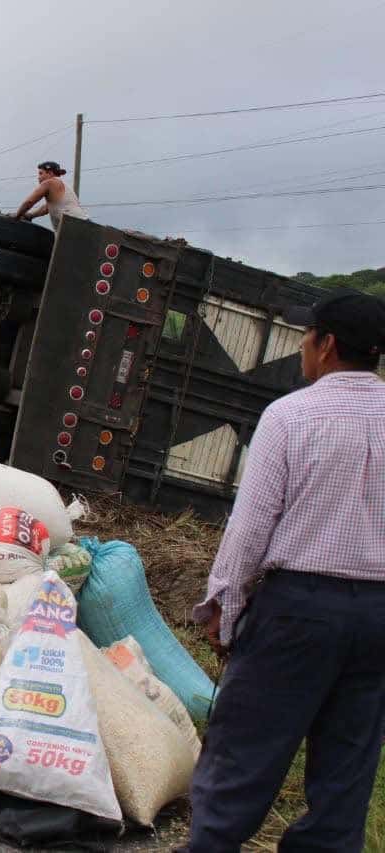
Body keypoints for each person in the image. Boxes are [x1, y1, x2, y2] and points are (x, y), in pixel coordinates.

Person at [182, 289, 385, 851]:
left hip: (299, 609)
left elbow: (250, 528)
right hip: (377, 617)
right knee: (348, 764)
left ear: (327, 345)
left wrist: (223, 606)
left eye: (306, 335)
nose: (301, 346)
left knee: (246, 746)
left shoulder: (292, 416)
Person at [12, 161, 89, 231]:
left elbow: (29, 202)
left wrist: (17, 216)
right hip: (86, 223)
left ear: (50, 173)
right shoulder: (64, 186)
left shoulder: (49, 182)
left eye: (41, 173)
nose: (38, 177)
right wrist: (30, 215)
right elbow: (46, 208)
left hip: (73, 225)